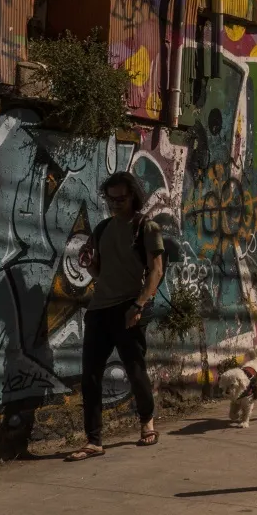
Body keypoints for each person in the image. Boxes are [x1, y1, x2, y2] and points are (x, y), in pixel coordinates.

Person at [65, 171, 164, 460]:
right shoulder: (103, 228)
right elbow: (98, 272)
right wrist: (89, 263)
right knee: (91, 376)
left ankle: (147, 421)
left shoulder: (147, 227)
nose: (116, 203)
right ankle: (93, 440)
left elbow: (155, 270)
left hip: (130, 307)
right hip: (100, 309)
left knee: (134, 370)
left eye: (122, 198)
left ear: (133, 196)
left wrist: (139, 305)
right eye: (111, 199)